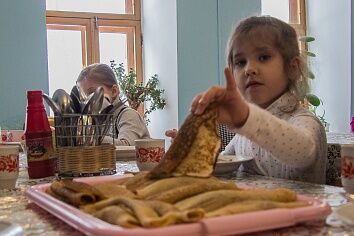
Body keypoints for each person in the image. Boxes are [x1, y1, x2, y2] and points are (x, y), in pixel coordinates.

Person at [184, 16, 327, 184]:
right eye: (240, 62)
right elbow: (220, 164)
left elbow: (304, 152)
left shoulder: (304, 121)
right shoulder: (244, 133)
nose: (249, 69)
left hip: (302, 209)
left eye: (263, 57)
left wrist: (246, 118)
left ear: (292, 67)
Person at [77, 63, 150, 146]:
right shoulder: (99, 118)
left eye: (92, 93)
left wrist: (90, 137)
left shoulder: (128, 115)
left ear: (114, 91)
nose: (88, 100)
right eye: (84, 97)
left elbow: (127, 145)